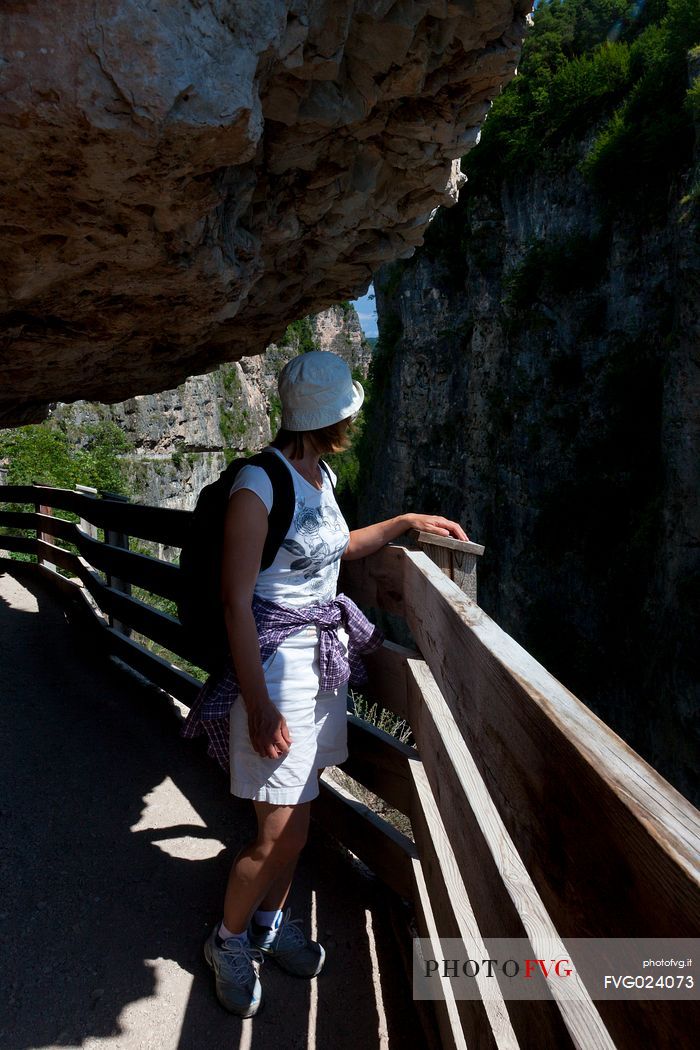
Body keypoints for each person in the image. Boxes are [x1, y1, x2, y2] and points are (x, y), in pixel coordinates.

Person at [184, 350, 468, 1018]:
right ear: (328, 416)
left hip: (320, 667)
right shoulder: (260, 485)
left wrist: (401, 525)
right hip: (276, 669)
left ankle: (265, 927)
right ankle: (225, 941)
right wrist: (256, 702)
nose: (353, 421)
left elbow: (331, 548)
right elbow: (235, 602)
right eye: (347, 412)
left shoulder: (319, 473)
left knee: (300, 824)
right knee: (274, 832)